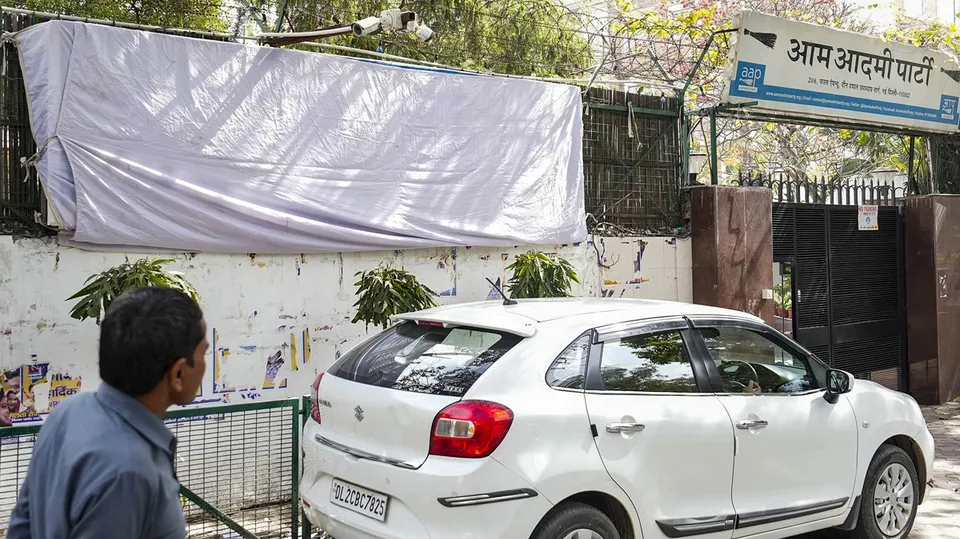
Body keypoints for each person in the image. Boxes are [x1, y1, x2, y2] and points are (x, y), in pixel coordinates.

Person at [7, 287, 208, 539]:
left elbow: (22, 525)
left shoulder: (69, 412)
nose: (204, 364)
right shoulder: (129, 472)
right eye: (204, 353)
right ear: (178, 374)